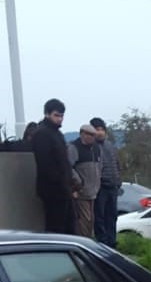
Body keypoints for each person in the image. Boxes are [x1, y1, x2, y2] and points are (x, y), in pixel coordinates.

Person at [31, 98, 76, 234]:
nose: (60, 119)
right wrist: (62, 184)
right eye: (56, 115)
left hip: (63, 188)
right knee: (56, 227)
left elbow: (64, 162)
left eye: (61, 116)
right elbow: (46, 165)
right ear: (47, 114)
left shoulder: (57, 134)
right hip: (53, 189)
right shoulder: (42, 133)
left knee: (69, 226)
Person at [90, 116, 122, 246]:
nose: (100, 132)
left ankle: (112, 242)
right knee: (100, 217)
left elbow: (117, 164)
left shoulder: (111, 146)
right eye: (97, 129)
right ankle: (103, 244)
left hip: (113, 187)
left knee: (112, 216)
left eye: (102, 129)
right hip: (100, 187)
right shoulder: (91, 147)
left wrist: (118, 180)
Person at [67, 124, 102, 238]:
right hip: (81, 191)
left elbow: (100, 166)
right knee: (83, 221)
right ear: (82, 134)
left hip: (93, 191)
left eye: (93, 135)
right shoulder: (74, 147)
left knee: (91, 220)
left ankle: (89, 242)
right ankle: (83, 243)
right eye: (90, 135)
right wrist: (78, 183)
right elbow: (68, 167)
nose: (92, 137)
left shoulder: (96, 148)